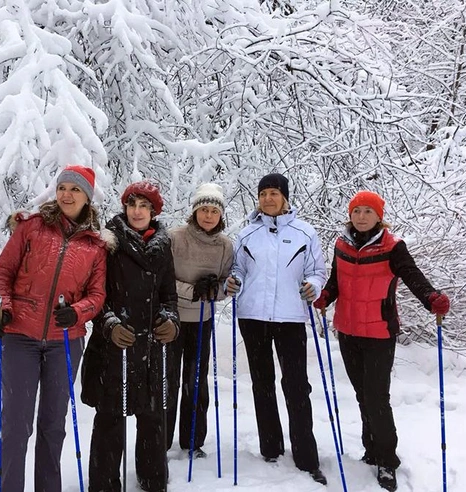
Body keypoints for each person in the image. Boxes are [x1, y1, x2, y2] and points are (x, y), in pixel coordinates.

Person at [313, 190, 450, 492]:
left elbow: (413, 276)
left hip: (379, 333)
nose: (361, 217)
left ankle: (387, 460)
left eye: (367, 211)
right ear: (350, 215)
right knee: (363, 395)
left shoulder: (392, 247)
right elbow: (337, 280)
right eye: (356, 211)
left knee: (377, 398)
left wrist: (432, 299)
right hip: (347, 331)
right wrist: (325, 296)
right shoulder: (341, 245)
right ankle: (370, 449)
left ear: (379, 216)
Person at [0, 165, 108, 492]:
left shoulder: (95, 246)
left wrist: (79, 312)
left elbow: (97, 295)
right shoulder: (32, 228)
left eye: (75, 189)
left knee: (53, 425)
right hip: (20, 337)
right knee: (16, 424)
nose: (67, 194)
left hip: (65, 343)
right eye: (63, 187)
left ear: (87, 197)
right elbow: (2, 274)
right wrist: (1, 309)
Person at [224, 172, 328, 485]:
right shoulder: (246, 235)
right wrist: (235, 283)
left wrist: (313, 285)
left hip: (291, 318)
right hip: (253, 317)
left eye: (274, 193)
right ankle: (270, 447)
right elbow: (238, 270)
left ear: (285, 197)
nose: (268, 198)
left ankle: (306, 455)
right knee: (262, 382)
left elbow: (318, 272)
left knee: (296, 385)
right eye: (264, 193)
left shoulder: (304, 233)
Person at [81, 180, 179, 492]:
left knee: (152, 417)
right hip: (115, 347)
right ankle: (104, 482)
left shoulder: (163, 247)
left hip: (151, 348)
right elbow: (94, 294)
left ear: (154, 211)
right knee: (111, 417)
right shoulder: (107, 243)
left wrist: (171, 320)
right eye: (132, 204)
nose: (137, 211)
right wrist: (109, 323)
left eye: (144, 206)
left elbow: (169, 295)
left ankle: (153, 479)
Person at [166, 183, 233, 456]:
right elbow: (162, 281)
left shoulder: (225, 246)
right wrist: (192, 290)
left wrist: (215, 289)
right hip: (170, 321)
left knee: (195, 381)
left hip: (202, 321)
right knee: (167, 381)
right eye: (203, 209)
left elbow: (228, 284)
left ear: (220, 215)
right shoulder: (174, 238)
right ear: (194, 212)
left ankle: (193, 441)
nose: (208, 215)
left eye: (214, 211)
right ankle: (160, 439)